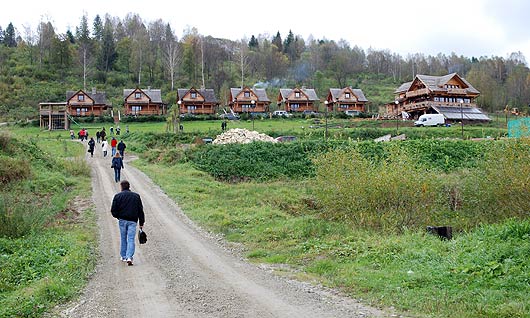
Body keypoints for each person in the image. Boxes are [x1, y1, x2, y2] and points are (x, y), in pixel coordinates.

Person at [111, 180, 144, 266]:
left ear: (121, 187)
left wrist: (119, 217)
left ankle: (123, 256)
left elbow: (113, 210)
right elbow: (140, 210)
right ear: (129, 186)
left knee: (123, 238)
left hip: (122, 220)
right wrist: (141, 222)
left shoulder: (117, 196)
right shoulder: (136, 196)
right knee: (131, 239)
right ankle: (129, 257)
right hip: (133, 221)